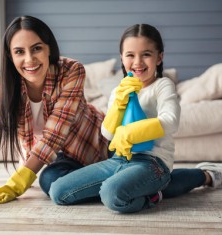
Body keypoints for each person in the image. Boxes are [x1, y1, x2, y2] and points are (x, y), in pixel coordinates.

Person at [0, 15, 112, 216]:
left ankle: (122, 176)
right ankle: (115, 181)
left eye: (37, 48)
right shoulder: (4, 91)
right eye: (19, 52)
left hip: (102, 145)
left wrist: (17, 183)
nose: (29, 59)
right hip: (65, 160)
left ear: (49, 48)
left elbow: (54, 135)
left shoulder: (71, 71)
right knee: (49, 180)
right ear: (10, 56)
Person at [48, 24, 222, 213]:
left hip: (153, 163)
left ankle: (156, 192)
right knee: (58, 192)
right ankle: (140, 187)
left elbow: (171, 121)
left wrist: (130, 133)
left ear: (159, 57)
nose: (138, 62)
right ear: (122, 58)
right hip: (118, 160)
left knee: (111, 194)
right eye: (130, 55)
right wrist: (118, 104)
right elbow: (107, 133)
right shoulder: (118, 91)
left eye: (146, 54)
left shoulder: (162, 86)